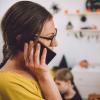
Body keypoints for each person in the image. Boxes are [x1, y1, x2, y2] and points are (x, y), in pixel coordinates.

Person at [0, 1, 62, 100]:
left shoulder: (38, 66)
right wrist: (44, 76)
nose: (55, 44)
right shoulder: (8, 83)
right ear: (22, 39)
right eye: (50, 37)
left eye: (55, 34)